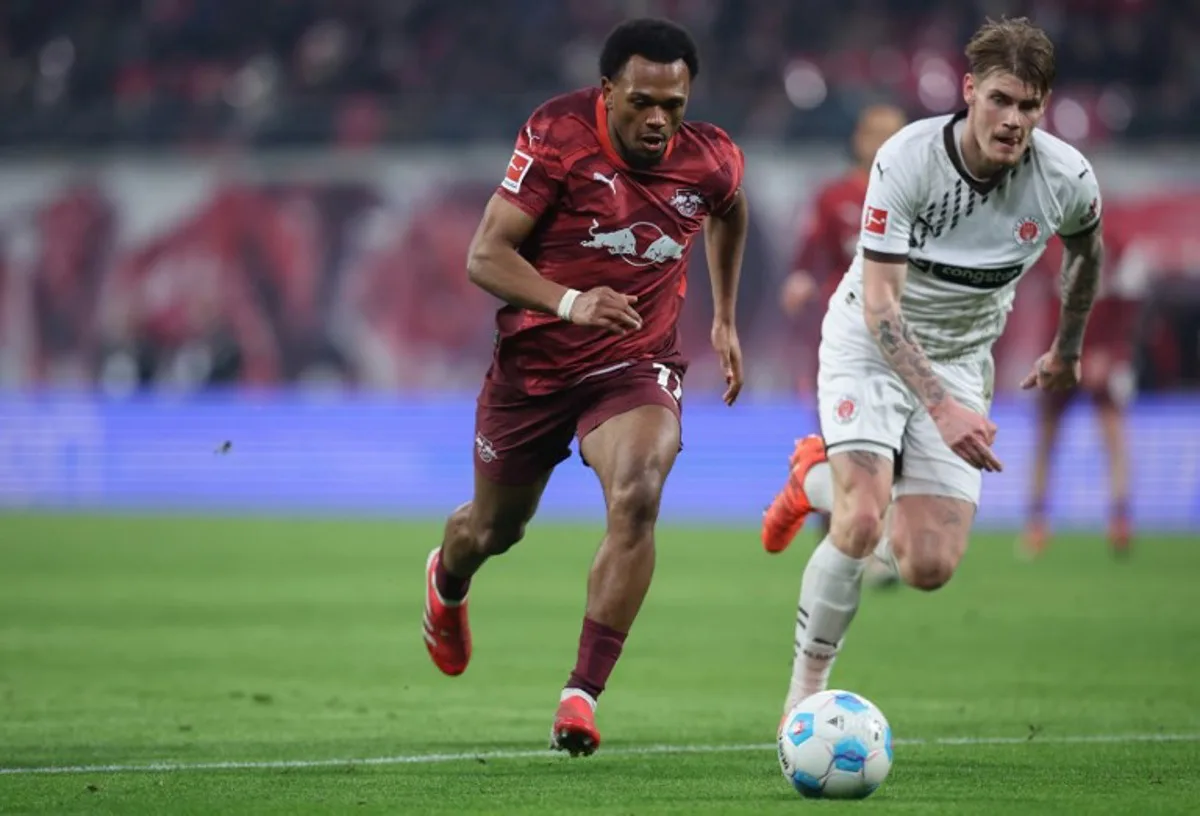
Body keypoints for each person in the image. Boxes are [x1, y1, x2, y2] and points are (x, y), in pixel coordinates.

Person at [759, 16, 1104, 721]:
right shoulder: (908, 159)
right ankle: (803, 701)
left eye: (1029, 106)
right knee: (859, 522)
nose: (1013, 120)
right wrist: (942, 410)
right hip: (869, 341)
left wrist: (1067, 345)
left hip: (959, 358)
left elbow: (1087, 255)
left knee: (927, 567)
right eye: (1001, 100)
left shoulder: (1066, 178)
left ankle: (810, 478)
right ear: (970, 90)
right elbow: (884, 308)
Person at [420, 18, 748, 757]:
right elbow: (484, 255)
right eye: (641, 102)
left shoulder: (712, 159)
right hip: (534, 369)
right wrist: (571, 302)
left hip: (633, 365)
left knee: (638, 493)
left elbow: (731, 211)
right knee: (493, 530)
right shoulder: (557, 134)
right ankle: (447, 578)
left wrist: (724, 316)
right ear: (608, 93)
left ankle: (582, 694)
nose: (659, 119)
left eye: (674, 103)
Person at [767, 104, 906, 573]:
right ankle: (836, 540)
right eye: (875, 132)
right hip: (846, 338)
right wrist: (801, 280)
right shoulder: (835, 197)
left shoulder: (918, 196)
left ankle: (879, 540)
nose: (883, 142)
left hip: (904, 339)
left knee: (899, 437)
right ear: (859, 139)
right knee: (841, 438)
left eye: (893, 133)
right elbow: (810, 257)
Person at [1022, 234, 1136, 558]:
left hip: (1101, 356)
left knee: (1113, 435)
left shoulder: (1118, 248)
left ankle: (1120, 520)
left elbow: (1129, 309)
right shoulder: (1049, 248)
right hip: (1057, 354)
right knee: (1045, 438)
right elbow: (1045, 306)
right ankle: (1037, 524)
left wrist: (1113, 354)